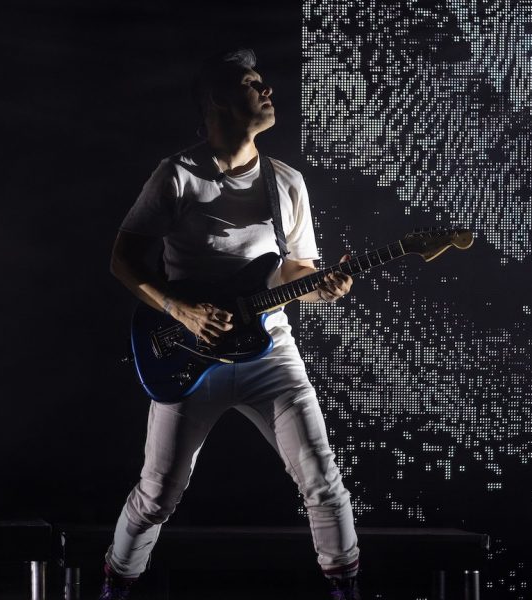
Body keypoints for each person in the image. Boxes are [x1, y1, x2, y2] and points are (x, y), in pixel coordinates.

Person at [100, 49, 361, 599]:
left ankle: (346, 589)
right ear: (218, 100)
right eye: (251, 84)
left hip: (271, 352)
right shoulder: (179, 175)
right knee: (157, 495)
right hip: (187, 355)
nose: (267, 91)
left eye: (264, 82)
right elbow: (124, 260)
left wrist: (323, 286)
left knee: (323, 481)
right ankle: (115, 584)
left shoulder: (286, 182)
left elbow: (295, 271)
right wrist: (181, 310)